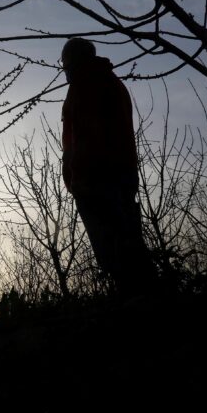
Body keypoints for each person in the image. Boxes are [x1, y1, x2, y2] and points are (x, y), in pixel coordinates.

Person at [61, 37, 157, 297]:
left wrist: (77, 178)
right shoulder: (107, 81)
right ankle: (145, 300)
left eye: (65, 64)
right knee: (124, 243)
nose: (64, 72)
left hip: (97, 177)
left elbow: (85, 136)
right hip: (116, 173)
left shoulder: (87, 84)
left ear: (72, 62)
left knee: (116, 250)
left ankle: (141, 305)